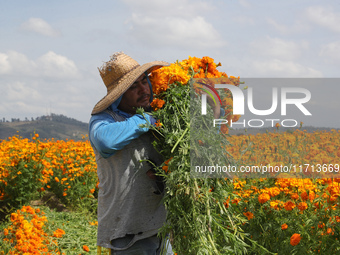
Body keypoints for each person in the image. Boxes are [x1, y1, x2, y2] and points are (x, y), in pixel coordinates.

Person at [89, 52, 172, 254]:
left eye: (144, 81)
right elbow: (105, 141)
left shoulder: (159, 114)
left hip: (162, 227)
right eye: (133, 87)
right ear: (119, 95)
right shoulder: (105, 120)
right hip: (128, 233)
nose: (143, 90)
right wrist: (149, 120)